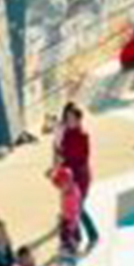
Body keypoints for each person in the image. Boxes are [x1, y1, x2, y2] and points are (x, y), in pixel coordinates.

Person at [54, 103, 100, 250]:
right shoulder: (66, 133)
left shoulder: (83, 136)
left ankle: (93, 235)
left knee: (78, 208)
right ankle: (76, 238)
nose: (69, 121)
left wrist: (65, 165)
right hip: (69, 177)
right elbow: (61, 152)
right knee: (70, 209)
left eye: (72, 118)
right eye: (67, 118)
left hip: (81, 177)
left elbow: (81, 159)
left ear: (79, 120)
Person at [51, 163, 86, 261]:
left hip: (70, 221)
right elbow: (65, 206)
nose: (60, 188)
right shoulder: (67, 190)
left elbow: (74, 211)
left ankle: (71, 252)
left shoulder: (72, 195)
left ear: (68, 182)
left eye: (62, 185)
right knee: (65, 238)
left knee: (68, 239)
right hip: (66, 219)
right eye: (59, 186)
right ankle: (68, 250)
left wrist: (69, 222)